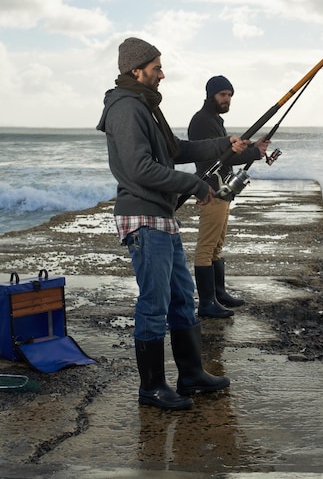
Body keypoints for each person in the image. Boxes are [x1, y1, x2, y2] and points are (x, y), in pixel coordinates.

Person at [97, 38, 248, 411]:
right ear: (136, 70)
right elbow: (139, 168)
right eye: (157, 67)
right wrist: (195, 184)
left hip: (161, 217)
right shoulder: (126, 108)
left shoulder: (146, 107)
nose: (162, 73)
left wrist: (223, 145)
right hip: (143, 218)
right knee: (154, 303)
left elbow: (176, 150)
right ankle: (152, 388)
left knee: (183, 298)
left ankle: (191, 375)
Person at [188, 76, 270, 318]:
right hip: (211, 191)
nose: (227, 99)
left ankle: (218, 294)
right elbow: (219, 159)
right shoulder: (202, 121)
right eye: (223, 95)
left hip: (223, 191)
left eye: (230, 95)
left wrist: (253, 146)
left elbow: (227, 152)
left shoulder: (213, 120)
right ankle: (206, 303)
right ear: (211, 95)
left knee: (217, 246)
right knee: (206, 247)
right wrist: (255, 152)